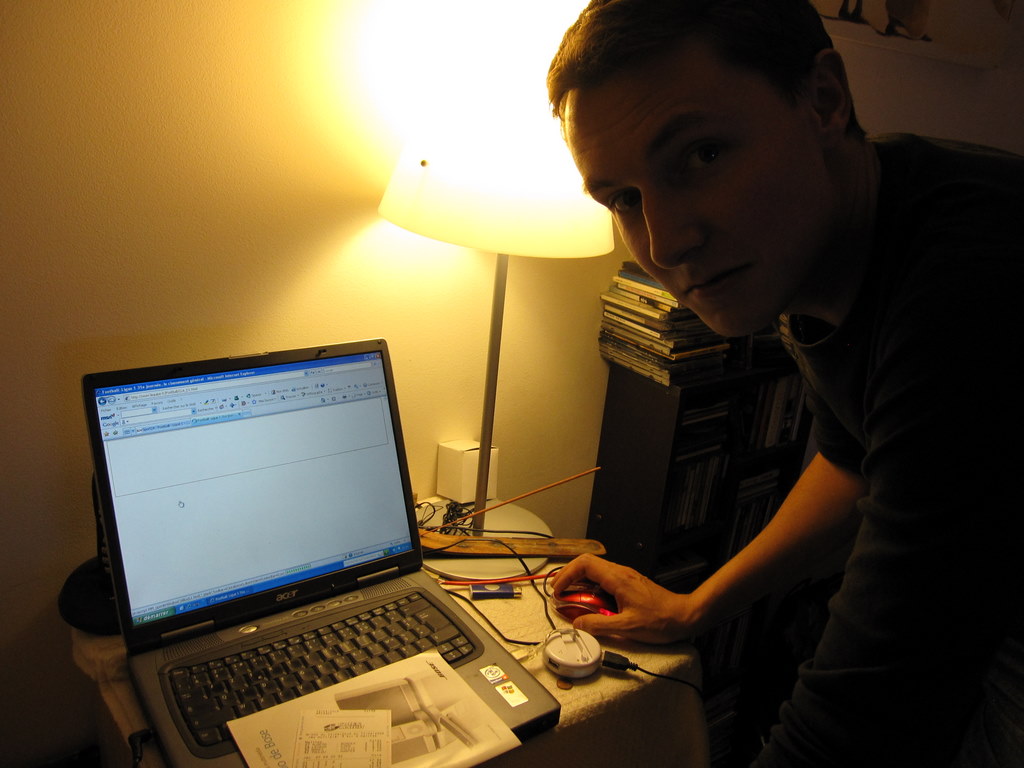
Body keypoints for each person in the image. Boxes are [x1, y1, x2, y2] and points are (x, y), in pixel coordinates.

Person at [546, 1, 1024, 766]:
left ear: (824, 99)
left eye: (702, 154)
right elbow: (850, 456)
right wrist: (693, 609)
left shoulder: (967, 290)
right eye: (624, 199)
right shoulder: (824, 239)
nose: (665, 244)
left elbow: (868, 710)